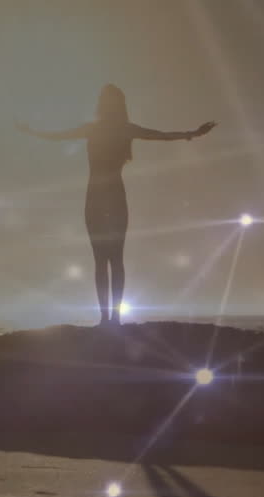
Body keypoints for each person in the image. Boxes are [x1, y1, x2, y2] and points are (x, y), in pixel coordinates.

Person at [17, 84, 216, 326]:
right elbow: (58, 135)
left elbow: (161, 135)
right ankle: (105, 318)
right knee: (101, 260)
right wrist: (31, 132)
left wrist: (192, 133)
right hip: (96, 197)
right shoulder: (98, 128)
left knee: (114, 259)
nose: (107, 104)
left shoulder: (122, 129)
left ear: (117, 104)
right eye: (105, 99)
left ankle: (115, 319)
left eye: (110, 100)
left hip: (110, 196)